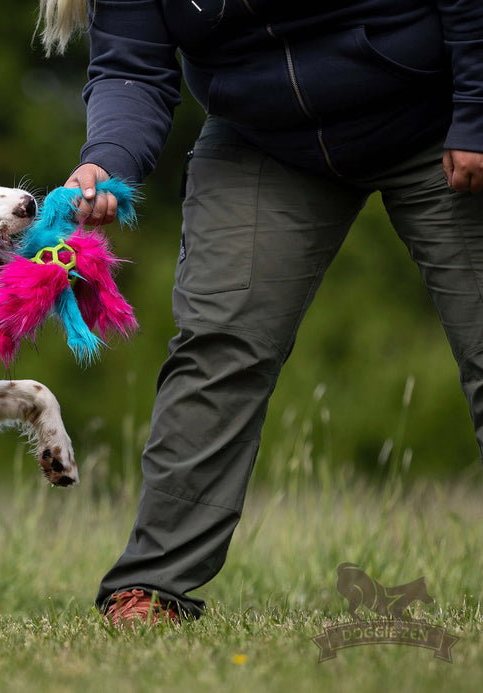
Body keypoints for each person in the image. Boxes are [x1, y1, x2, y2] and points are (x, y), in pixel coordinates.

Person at [37, 0, 483, 626]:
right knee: (218, 343)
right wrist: (104, 161)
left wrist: (476, 117)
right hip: (265, 138)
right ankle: (153, 588)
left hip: (434, 115)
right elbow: (131, 69)